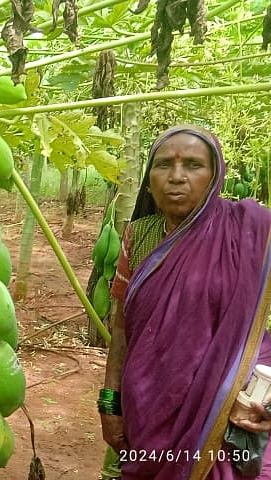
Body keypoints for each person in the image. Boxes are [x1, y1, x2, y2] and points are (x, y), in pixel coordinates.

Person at [100, 125, 271, 479]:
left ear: (215, 176)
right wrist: (110, 401)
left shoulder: (253, 233)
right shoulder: (140, 235)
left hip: (228, 411)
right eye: (163, 165)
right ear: (149, 181)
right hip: (146, 406)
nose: (176, 177)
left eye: (193, 165)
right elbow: (121, 326)